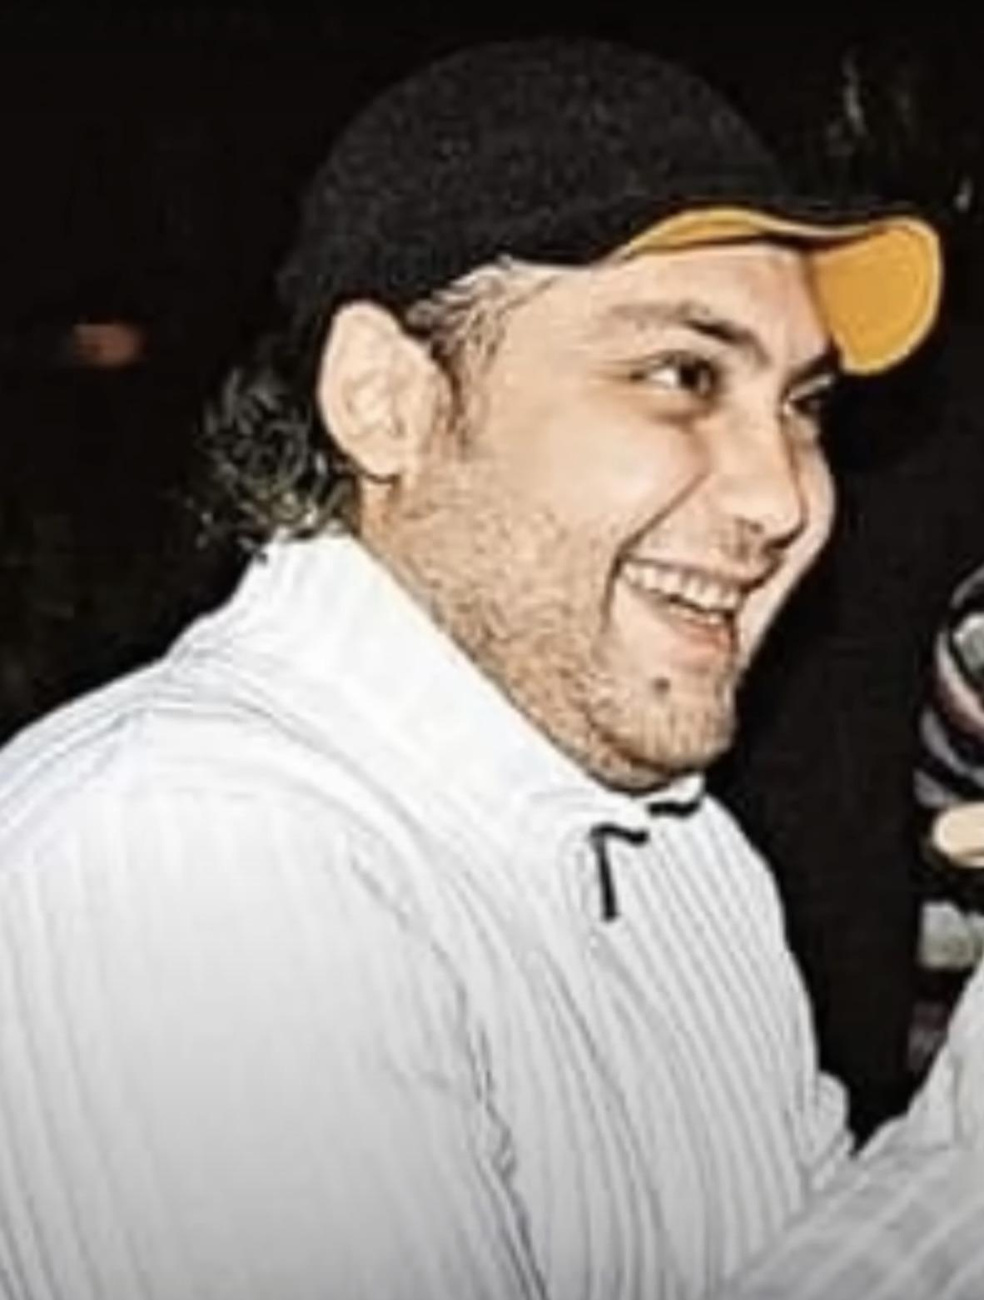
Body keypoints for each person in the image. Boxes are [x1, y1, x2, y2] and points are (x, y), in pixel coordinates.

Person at [0, 34, 975, 1300]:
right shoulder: (179, 851)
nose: (786, 496)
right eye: (681, 376)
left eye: (803, 406)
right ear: (386, 400)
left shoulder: (683, 856)